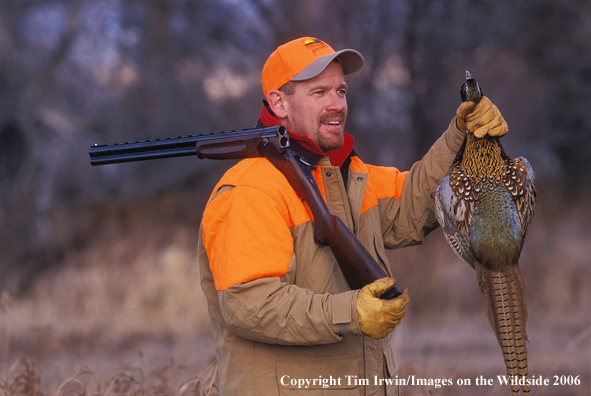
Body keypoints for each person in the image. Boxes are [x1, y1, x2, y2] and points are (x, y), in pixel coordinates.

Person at [197, 37, 508, 396]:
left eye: (340, 90)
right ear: (279, 102)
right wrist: (350, 313)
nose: (337, 105)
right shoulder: (251, 189)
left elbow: (414, 205)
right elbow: (248, 303)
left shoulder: (345, 173)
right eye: (319, 93)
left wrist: (462, 136)